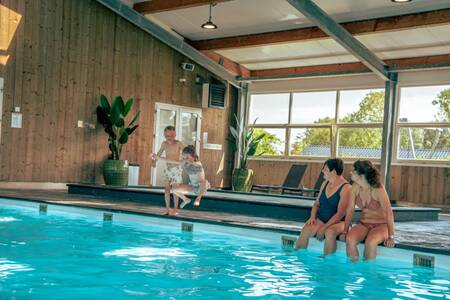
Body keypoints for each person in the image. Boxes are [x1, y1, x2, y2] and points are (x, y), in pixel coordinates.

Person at [340, 160, 395, 262]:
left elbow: (389, 213)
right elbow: (350, 210)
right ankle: (353, 269)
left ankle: (368, 273)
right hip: (364, 224)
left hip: (381, 225)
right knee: (350, 239)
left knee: (370, 242)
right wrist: (345, 231)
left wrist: (391, 236)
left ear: (361, 175)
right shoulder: (355, 188)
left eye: (353, 171)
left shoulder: (378, 189)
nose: (350, 172)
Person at [295, 158, 351, 256]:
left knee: (330, 233)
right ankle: (298, 256)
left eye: (325, 169)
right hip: (322, 219)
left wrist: (324, 227)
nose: (322, 171)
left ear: (333, 171)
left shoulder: (346, 188)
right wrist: (312, 217)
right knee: (306, 229)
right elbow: (317, 204)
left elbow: (340, 214)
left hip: (340, 222)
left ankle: (327, 261)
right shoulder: (325, 183)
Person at [151, 126, 185, 216]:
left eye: (171, 135)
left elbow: (187, 152)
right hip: (167, 169)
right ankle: (167, 209)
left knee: (175, 190)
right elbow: (159, 153)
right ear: (164, 135)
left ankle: (175, 210)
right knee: (166, 190)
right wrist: (154, 161)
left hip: (176, 169)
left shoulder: (179, 144)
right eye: (167, 136)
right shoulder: (164, 144)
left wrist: (187, 160)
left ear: (175, 135)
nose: (169, 137)